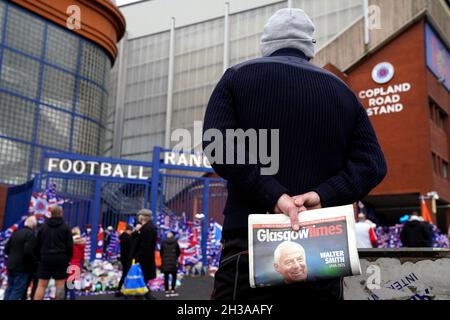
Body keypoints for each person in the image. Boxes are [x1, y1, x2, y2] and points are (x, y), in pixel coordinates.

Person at [203, 8, 387, 300]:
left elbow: (220, 144)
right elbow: (373, 164)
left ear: (265, 43)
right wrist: (321, 194)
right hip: (321, 247)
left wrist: (274, 194)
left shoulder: (236, 78)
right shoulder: (343, 92)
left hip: (249, 243)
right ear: (311, 46)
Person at [34, 206, 73, 300]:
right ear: (61, 213)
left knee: (41, 285)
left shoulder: (43, 227)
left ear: (50, 213)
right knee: (60, 285)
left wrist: (39, 257)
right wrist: (67, 259)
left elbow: (37, 244)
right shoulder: (66, 227)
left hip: (45, 257)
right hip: (61, 257)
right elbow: (70, 246)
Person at [4, 216, 38, 300]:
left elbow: (6, 249)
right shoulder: (31, 235)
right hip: (22, 267)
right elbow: (28, 251)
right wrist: (34, 261)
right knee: (17, 290)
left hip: (10, 265)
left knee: (9, 288)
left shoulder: (15, 233)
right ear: (34, 226)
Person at [132, 209, 157, 300]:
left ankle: (142, 296)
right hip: (145, 258)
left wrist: (137, 256)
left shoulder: (148, 228)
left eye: (139, 216)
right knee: (143, 279)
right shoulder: (146, 227)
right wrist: (137, 230)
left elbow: (145, 245)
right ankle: (147, 296)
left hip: (144, 259)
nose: (138, 217)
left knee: (142, 278)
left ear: (142, 217)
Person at [66, 227, 85, 300]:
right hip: (77, 265)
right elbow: (82, 257)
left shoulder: (70, 243)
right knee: (71, 284)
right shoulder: (82, 244)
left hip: (70, 265)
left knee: (68, 285)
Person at [160, 232, 181, 297]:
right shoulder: (175, 243)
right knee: (174, 276)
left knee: (166, 276)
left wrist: (163, 258)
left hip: (165, 262)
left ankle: (166, 290)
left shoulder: (163, 243)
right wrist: (175, 257)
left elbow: (161, 252)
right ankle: (172, 289)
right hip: (173, 261)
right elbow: (178, 252)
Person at [117, 224, 134, 296]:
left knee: (125, 273)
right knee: (125, 274)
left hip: (124, 258)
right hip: (127, 258)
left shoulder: (123, 237)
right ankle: (121, 289)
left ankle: (120, 289)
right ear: (128, 230)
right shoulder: (127, 238)